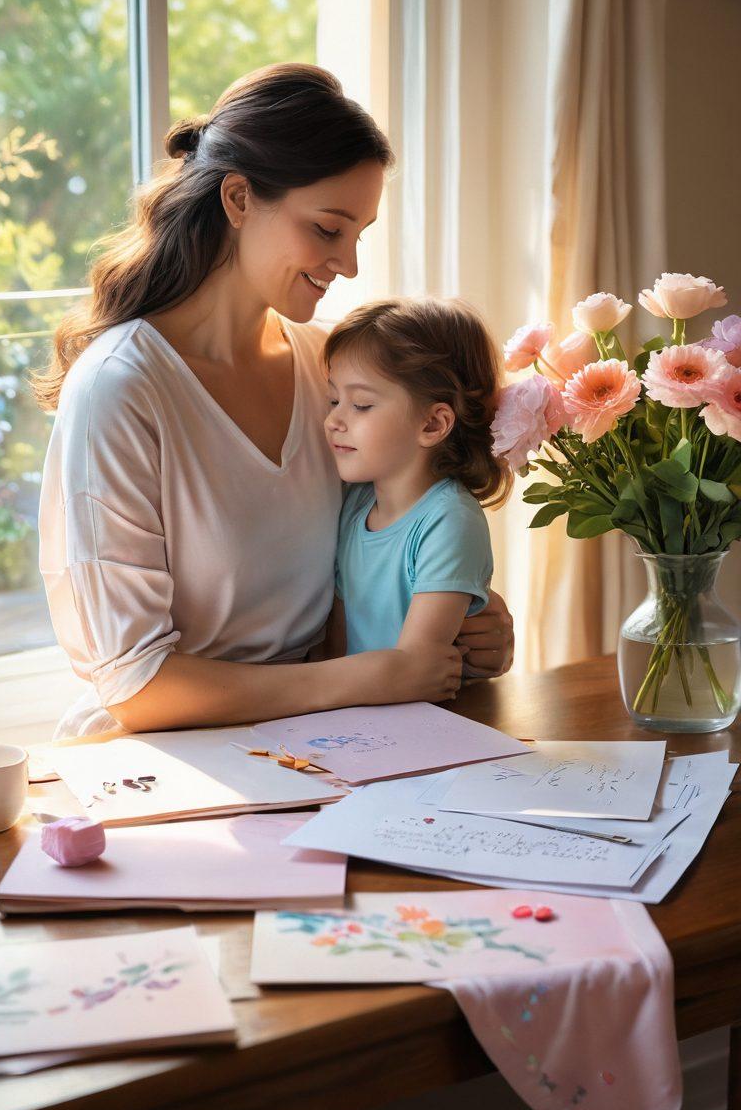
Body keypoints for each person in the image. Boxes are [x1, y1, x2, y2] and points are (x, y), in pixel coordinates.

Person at [34, 63, 514, 739]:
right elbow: (137, 686)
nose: (348, 263)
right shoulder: (122, 389)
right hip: (176, 760)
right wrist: (375, 676)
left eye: (359, 234)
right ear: (238, 200)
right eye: (327, 228)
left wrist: (470, 618)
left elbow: (383, 541)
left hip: (334, 739)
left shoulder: (332, 370)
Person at [318, 297, 511, 661]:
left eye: (360, 405)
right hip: (355, 708)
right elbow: (336, 648)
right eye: (333, 400)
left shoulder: (449, 520)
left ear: (433, 424)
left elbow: (416, 666)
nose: (334, 421)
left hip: (427, 713)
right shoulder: (357, 504)